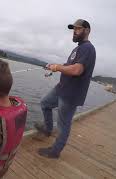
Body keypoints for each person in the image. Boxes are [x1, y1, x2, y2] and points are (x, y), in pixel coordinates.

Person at [34, 19, 96, 158]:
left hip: (71, 94)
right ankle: (48, 129)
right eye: (73, 29)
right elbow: (70, 65)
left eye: (78, 29)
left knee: (63, 124)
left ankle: (55, 151)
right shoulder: (78, 48)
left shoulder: (88, 48)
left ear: (87, 31)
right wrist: (54, 66)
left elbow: (77, 70)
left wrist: (57, 67)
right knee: (45, 103)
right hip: (61, 88)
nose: (74, 31)